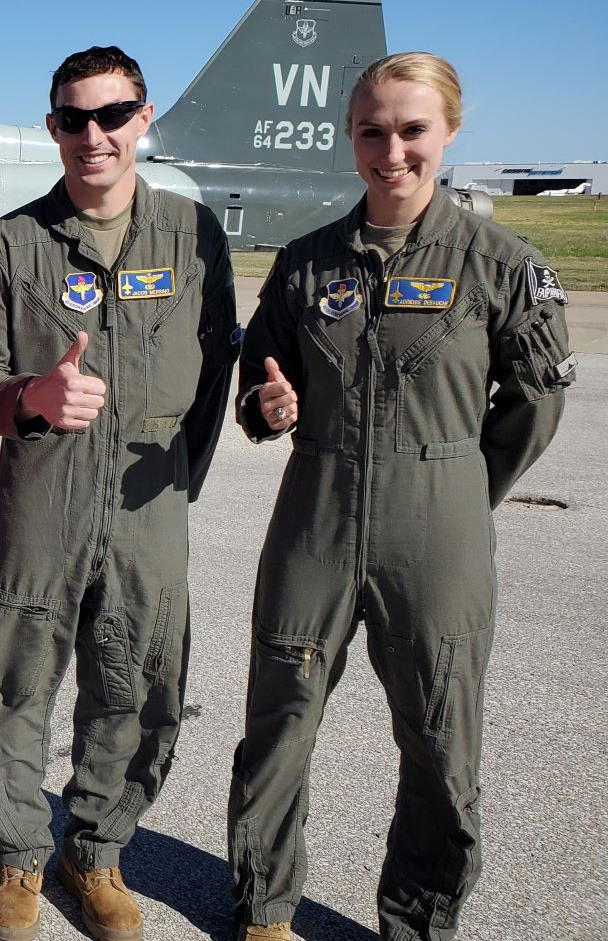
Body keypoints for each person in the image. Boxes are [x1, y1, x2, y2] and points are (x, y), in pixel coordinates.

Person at [226, 51, 574, 941]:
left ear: (448, 133)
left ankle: (417, 918)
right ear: (350, 137)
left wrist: (459, 488)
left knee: (439, 737)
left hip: (440, 526)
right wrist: (268, 409)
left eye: (412, 130)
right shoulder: (308, 264)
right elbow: (260, 383)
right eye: (373, 131)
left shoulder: (501, 263)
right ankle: (265, 907)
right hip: (316, 515)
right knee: (280, 718)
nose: (392, 151)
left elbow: (536, 399)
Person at [0, 45, 238, 941]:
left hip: (150, 492)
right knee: (14, 679)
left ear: (143, 119)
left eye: (112, 115)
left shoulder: (194, 235)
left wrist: (177, 474)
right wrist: (28, 398)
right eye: (74, 119)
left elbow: (216, 368)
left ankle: (98, 851)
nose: (94, 135)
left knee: (140, 680)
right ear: (53, 129)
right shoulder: (12, 242)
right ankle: (18, 854)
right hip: (44, 487)